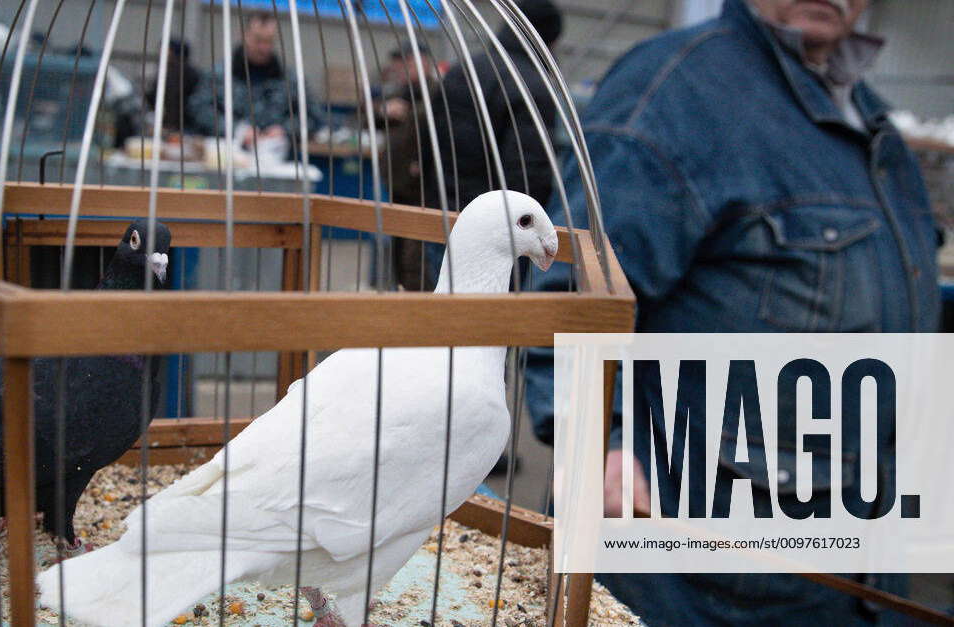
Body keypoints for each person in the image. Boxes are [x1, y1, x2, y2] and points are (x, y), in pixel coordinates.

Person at [526, 0, 940, 624]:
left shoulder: (868, 119)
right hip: (703, 575)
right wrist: (595, 444)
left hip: (848, 558)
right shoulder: (675, 93)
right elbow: (573, 287)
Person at [418, 0, 563, 290]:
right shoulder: (532, 87)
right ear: (547, 38)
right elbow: (528, 170)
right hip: (495, 233)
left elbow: (428, 135)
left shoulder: (463, 69)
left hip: (442, 211)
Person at [187, 11, 322, 147]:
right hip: (227, 153)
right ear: (244, 35)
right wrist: (236, 130)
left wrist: (285, 129)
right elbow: (198, 108)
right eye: (258, 40)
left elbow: (314, 116)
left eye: (269, 41)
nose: (263, 47)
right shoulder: (219, 76)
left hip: (275, 158)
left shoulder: (291, 80)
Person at [377, 41, 438, 290]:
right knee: (397, 245)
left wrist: (408, 112)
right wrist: (384, 111)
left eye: (409, 63)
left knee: (416, 252)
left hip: (422, 185)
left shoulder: (437, 93)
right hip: (396, 182)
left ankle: (414, 297)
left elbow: (433, 123)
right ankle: (400, 291)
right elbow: (362, 117)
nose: (402, 69)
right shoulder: (398, 92)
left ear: (425, 63)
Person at [146, 39, 201, 133]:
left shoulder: (180, 73)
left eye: (166, 50)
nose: (161, 53)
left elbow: (175, 102)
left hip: (182, 127)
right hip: (174, 125)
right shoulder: (167, 71)